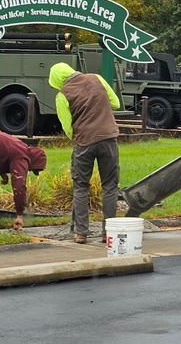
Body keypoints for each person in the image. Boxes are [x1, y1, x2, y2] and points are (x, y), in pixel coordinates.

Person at [48, 62, 121, 244]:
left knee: (81, 187)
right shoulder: (97, 78)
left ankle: (81, 233)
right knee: (110, 187)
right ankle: (108, 233)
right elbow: (116, 103)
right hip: (108, 138)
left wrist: (78, 137)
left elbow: (67, 126)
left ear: (57, 80)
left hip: (84, 142)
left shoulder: (62, 95)